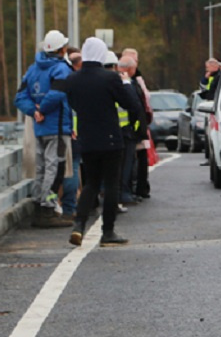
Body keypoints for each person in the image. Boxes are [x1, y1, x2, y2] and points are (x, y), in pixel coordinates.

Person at [62, 37, 143, 246]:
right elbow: (132, 105)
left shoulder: (72, 79)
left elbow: (72, 103)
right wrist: (125, 84)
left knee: (91, 183)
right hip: (110, 139)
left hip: (86, 138)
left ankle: (78, 225)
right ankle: (108, 232)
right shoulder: (110, 78)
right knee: (111, 185)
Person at [14, 30, 74, 227]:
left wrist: (34, 111)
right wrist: (43, 110)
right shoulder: (60, 69)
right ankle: (47, 210)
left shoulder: (32, 69)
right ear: (61, 49)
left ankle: (39, 206)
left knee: (41, 168)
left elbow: (20, 97)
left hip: (40, 128)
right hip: (56, 126)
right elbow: (58, 93)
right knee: (54, 167)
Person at [122, 48, 153, 198]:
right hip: (128, 128)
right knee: (129, 161)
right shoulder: (126, 82)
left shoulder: (136, 80)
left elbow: (143, 103)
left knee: (139, 159)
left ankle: (139, 187)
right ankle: (127, 190)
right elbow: (136, 104)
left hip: (136, 126)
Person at [59, 46, 83, 223]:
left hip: (58, 128)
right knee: (72, 168)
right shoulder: (74, 79)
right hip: (72, 131)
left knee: (58, 169)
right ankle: (69, 207)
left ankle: (56, 205)